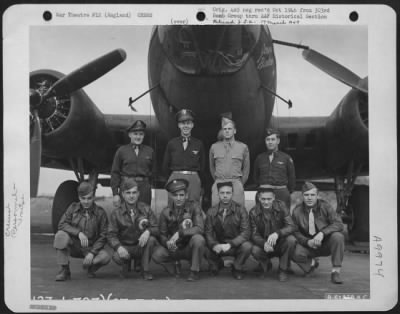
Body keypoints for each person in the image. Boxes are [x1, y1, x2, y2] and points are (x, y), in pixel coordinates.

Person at [53, 181, 110, 281]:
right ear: (79, 197)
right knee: (60, 236)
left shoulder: (100, 213)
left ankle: (90, 267)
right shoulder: (72, 208)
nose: (86, 201)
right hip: (75, 245)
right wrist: (78, 233)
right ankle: (64, 270)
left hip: (91, 247)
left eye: (89, 198)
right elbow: (61, 224)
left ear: (93, 197)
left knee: (105, 257)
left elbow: (103, 235)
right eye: (83, 198)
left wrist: (92, 253)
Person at [152, 179, 206, 281]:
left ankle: (194, 271)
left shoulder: (194, 207)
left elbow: (200, 228)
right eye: (175, 195)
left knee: (198, 239)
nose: (178, 198)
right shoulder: (165, 212)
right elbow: (162, 234)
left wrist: (180, 233)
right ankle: (173, 264)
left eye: (181, 195)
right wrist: (167, 243)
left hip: (188, 247)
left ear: (186, 195)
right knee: (157, 255)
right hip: (174, 248)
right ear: (171, 196)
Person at [291, 182, 345, 284]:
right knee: (290, 245)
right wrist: (307, 242)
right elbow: (295, 232)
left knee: (338, 237)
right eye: (306, 195)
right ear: (302, 196)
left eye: (312, 195)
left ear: (317, 195)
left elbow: (339, 224)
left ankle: (335, 272)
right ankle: (311, 264)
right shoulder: (297, 211)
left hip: (325, 243)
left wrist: (322, 233)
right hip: (308, 245)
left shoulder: (326, 206)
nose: (309, 198)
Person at [108, 178, 159, 280]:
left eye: (134, 192)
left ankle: (145, 270)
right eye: (128, 193)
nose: (131, 196)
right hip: (125, 247)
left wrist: (148, 231)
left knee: (152, 240)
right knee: (116, 256)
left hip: (140, 246)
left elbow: (156, 228)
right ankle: (125, 263)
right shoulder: (116, 213)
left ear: (138, 194)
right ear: (123, 194)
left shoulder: (146, 209)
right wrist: (118, 247)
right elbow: (110, 235)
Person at [205, 181, 252, 280]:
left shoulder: (241, 210)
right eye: (222, 193)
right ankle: (217, 264)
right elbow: (208, 233)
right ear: (218, 194)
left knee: (247, 246)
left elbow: (246, 233)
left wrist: (230, 244)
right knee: (202, 242)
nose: (225, 195)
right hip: (218, 246)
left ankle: (237, 268)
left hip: (235, 246)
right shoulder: (211, 211)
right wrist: (214, 245)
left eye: (228, 193)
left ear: (232, 193)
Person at [249, 187, 297, 282]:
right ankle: (266, 263)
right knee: (254, 249)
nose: (266, 202)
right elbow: (254, 234)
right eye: (263, 199)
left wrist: (278, 233)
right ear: (259, 198)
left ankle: (283, 269)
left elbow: (291, 226)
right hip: (265, 245)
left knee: (291, 240)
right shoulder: (253, 212)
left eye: (269, 199)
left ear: (274, 197)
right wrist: (264, 243)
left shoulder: (282, 206)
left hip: (280, 243)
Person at [162, 109, 205, 203]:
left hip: (193, 178)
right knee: (174, 206)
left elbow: (203, 167)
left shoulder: (198, 144)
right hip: (176, 177)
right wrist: (170, 179)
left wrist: (201, 183)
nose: (185, 126)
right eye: (182, 123)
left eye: (188, 123)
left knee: (193, 206)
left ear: (192, 125)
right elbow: (165, 165)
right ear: (179, 125)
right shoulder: (172, 143)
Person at [111, 120, 155, 207]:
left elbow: (154, 171)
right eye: (135, 134)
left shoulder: (150, 151)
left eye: (141, 134)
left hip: (144, 189)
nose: (138, 137)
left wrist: (147, 185)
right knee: (125, 216)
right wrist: (115, 193)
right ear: (129, 135)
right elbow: (115, 172)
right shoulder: (121, 151)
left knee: (144, 214)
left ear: (144, 135)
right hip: (127, 187)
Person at [209, 113, 250, 206]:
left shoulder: (243, 147)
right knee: (216, 212)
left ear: (234, 131)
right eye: (225, 129)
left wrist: (239, 183)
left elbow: (246, 170)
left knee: (238, 213)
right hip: (219, 182)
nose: (227, 131)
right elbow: (211, 167)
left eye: (229, 129)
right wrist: (218, 180)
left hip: (236, 182)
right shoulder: (214, 147)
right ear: (222, 131)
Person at [253, 128, 296, 210]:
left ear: (278, 141)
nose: (270, 142)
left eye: (273, 139)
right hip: (263, 193)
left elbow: (292, 177)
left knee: (283, 219)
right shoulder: (259, 158)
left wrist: (286, 192)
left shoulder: (286, 158)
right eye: (267, 139)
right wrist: (262, 188)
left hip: (281, 193)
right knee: (262, 219)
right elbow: (255, 176)